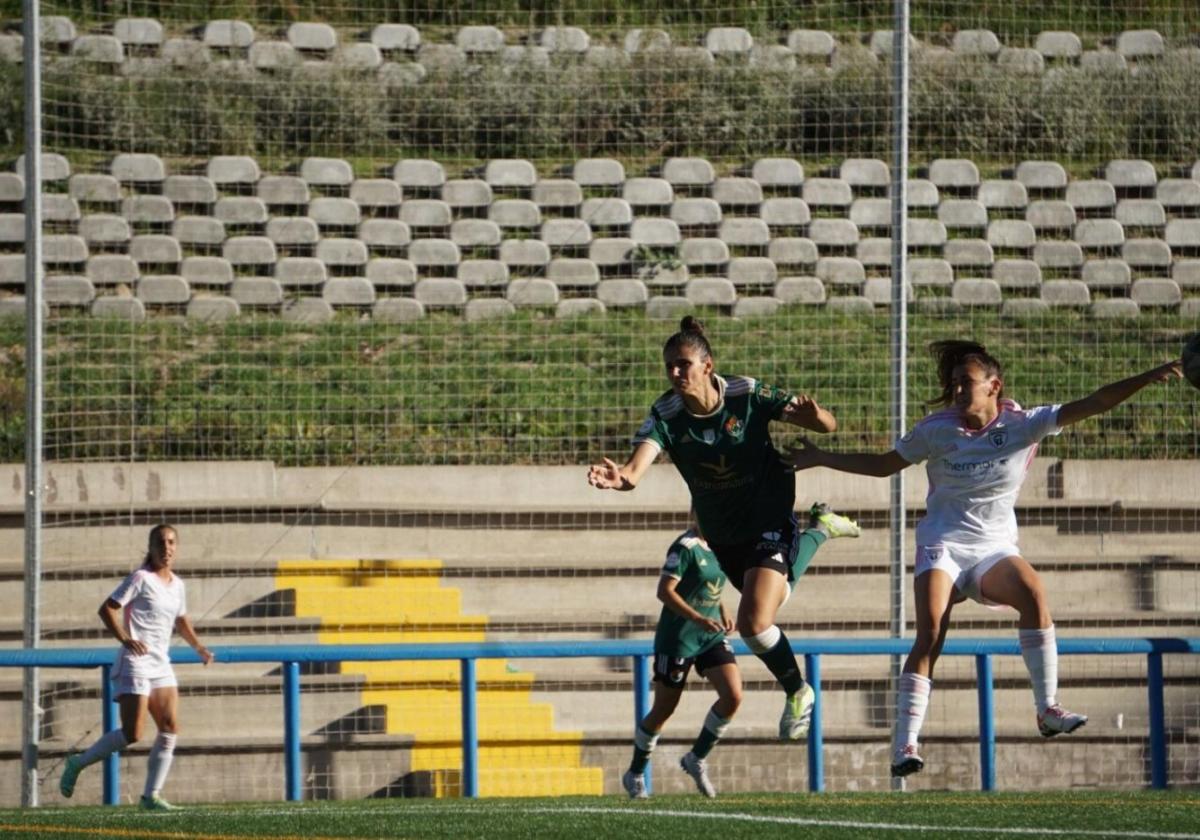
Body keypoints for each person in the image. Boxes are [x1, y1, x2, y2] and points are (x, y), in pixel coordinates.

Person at [784, 339, 1182, 778]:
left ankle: (1047, 709)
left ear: (995, 386)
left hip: (993, 549)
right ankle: (904, 745)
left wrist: (1146, 378)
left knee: (1033, 590)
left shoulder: (1025, 424)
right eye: (953, 383)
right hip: (944, 544)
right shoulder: (937, 429)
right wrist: (820, 457)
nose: (956, 391)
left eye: (966, 383)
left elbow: (1096, 401)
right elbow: (883, 465)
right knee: (931, 632)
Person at [589, 315, 861, 743]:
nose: (675, 373)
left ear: (707, 366)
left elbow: (828, 426)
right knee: (771, 602)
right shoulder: (666, 413)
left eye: (683, 364)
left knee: (754, 623)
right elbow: (634, 471)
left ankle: (798, 692)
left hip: (768, 517)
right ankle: (821, 530)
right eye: (670, 367)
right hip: (723, 536)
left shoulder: (746, 394)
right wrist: (618, 478)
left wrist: (817, 417)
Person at [59, 524, 214, 810]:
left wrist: (199, 647)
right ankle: (77, 764)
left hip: (160, 663)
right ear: (151, 548)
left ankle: (150, 797)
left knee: (170, 727)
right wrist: (126, 639)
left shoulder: (178, 585)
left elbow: (180, 619)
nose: (166, 548)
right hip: (136, 662)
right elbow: (107, 608)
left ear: (176, 547)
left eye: (170, 542)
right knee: (133, 733)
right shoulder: (141, 578)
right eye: (160, 543)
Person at [622, 522, 740, 799]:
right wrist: (697, 618)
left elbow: (711, 583)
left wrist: (723, 608)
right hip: (678, 639)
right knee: (663, 710)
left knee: (733, 695)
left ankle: (696, 758)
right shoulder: (684, 547)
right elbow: (665, 591)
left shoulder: (721, 545)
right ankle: (635, 773)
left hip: (709, 637)